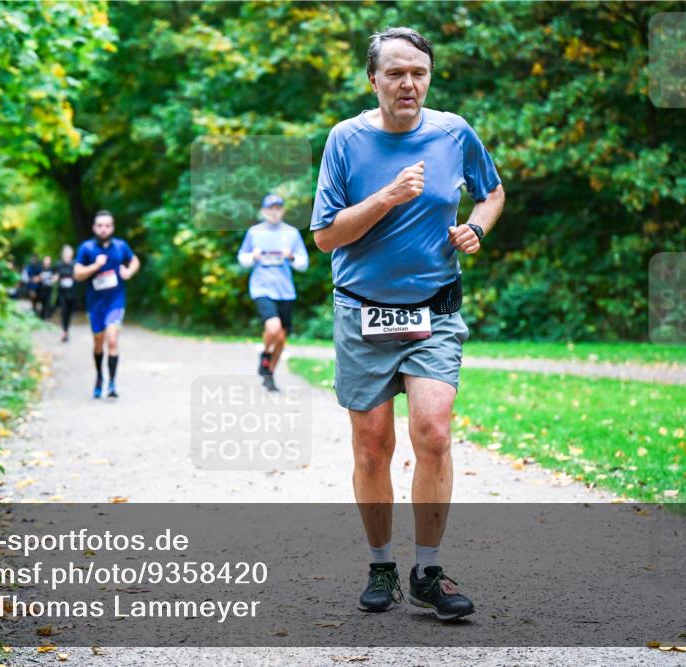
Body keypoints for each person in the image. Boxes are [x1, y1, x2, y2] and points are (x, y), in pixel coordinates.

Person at [311, 27, 505, 620]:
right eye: (395, 73)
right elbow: (325, 237)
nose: (408, 84)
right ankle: (381, 566)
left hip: (435, 310)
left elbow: (491, 193)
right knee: (372, 447)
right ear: (373, 80)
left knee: (434, 434)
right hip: (361, 311)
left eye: (418, 73)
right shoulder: (345, 140)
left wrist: (476, 228)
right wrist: (387, 198)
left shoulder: (453, 132)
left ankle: (427, 571)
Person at [237, 194, 309, 392]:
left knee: (281, 338)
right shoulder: (254, 232)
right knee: (273, 327)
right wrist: (253, 256)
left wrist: (291, 256)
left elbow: (304, 263)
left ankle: (270, 375)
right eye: (270, 208)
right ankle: (265, 355)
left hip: (285, 291)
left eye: (278, 208)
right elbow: (242, 258)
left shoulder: (292, 233)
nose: (274, 212)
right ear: (263, 211)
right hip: (262, 288)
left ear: (283, 211)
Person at [73, 211, 140, 399]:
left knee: (112, 340)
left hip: (115, 301)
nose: (103, 229)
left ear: (112, 227)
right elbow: (77, 274)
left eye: (107, 225)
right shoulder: (86, 248)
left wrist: (129, 272)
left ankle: (111, 383)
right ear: (94, 227)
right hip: (95, 304)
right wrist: (94, 266)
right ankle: (99, 377)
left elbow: (134, 260)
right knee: (98, 343)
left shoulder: (120, 246)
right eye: (100, 225)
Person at [53, 244, 77, 342]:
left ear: (71, 254)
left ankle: (67, 329)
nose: (67, 254)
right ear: (63, 254)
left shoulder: (75, 263)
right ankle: (64, 331)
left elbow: (78, 276)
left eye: (69, 252)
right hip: (62, 292)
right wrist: (55, 278)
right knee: (64, 311)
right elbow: (56, 275)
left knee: (70, 312)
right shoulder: (59, 264)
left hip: (72, 291)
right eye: (65, 252)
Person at [38, 255, 56, 321]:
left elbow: (55, 276)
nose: (47, 261)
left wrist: (53, 280)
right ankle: (42, 316)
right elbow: (37, 278)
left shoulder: (52, 269)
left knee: (47, 302)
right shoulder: (41, 268)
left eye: (48, 260)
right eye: (46, 260)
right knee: (42, 302)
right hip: (42, 288)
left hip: (49, 288)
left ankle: (46, 316)